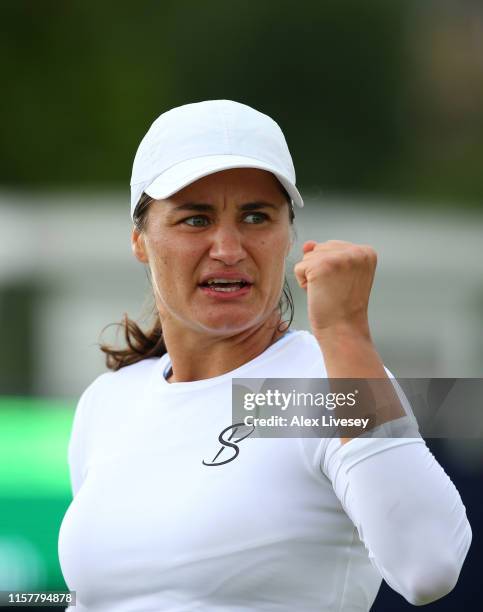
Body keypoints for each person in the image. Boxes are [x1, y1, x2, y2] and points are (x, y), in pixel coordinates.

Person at [58, 100, 471, 611]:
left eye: (256, 216)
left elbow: (428, 566)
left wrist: (344, 334)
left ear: (288, 236)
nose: (228, 247)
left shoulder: (315, 388)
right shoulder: (111, 401)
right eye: (195, 219)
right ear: (141, 240)